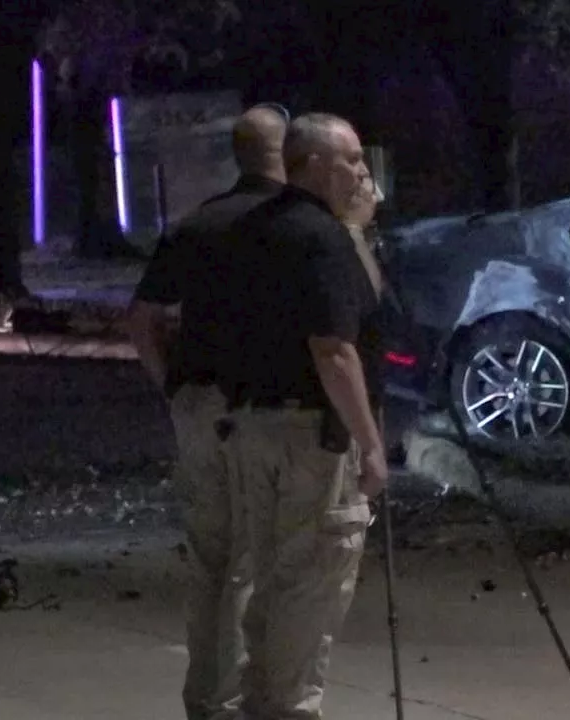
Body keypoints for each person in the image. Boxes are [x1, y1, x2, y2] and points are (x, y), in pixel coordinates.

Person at [205, 111, 388, 720]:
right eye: (352, 161)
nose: (363, 174)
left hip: (249, 424)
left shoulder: (249, 231)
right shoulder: (320, 238)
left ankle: (262, 700)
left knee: (271, 580)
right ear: (309, 163)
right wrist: (371, 442)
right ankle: (287, 707)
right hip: (310, 433)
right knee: (313, 583)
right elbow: (336, 350)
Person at [122, 102, 290, 720]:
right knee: (260, 558)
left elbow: (142, 319)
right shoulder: (294, 228)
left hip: (199, 403)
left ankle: (207, 697)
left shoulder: (196, 227)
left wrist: (172, 385)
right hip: (263, 407)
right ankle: (250, 693)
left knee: (213, 559)